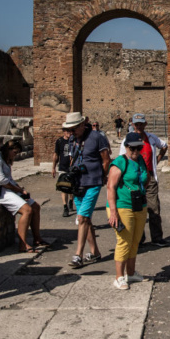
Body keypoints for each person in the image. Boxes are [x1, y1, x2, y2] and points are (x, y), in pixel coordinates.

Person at [66, 112, 110, 269]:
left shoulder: (97, 137)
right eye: (69, 129)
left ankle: (78, 255)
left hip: (93, 182)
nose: (71, 132)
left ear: (81, 125)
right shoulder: (72, 139)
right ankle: (95, 252)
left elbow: (106, 160)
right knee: (85, 219)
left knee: (82, 219)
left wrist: (104, 177)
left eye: (73, 128)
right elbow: (72, 158)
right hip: (78, 183)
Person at [106, 132, 149, 289]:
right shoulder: (120, 162)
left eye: (139, 148)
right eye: (133, 148)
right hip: (122, 205)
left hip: (139, 204)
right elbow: (111, 186)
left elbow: (146, 178)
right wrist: (113, 211)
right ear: (126, 147)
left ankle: (130, 273)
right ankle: (119, 277)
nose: (136, 151)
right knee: (124, 241)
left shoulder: (141, 160)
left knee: (135, 241)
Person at [0, 140, 48, 253]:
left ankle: (37, 238)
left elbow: (9, 179)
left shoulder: (5, 160)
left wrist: (21, 190)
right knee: (27, 210)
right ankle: (23, 244)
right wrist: (17, 189)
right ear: (9, 149)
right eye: (15, 152)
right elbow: (1, 180)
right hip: (0, 192)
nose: (15, 155)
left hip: (9, 190)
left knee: (35, 206)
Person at [119, 113, 169, 246]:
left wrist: (157, 160)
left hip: (150, 177)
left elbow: (164, 146)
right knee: (137, 208)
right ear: (133, 125)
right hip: (134, 179)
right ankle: (139, 238)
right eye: (136, 124)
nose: (139, 126)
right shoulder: (127, 140)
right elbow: (121, 159)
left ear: (145, 124)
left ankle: (157, 237)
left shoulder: (151, 138)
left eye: (141, 124)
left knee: (154, 208)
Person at [52, 128, 74, 217]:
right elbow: (56, 155)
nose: (69, 133)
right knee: (64, 187)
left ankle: (71, 200)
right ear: (64, 132)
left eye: (70, 131)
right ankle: (65, 207)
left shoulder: (74, 141)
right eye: (68, 131)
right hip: (62, 167)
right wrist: (53, 167)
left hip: (72, 168)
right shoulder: (59, 141)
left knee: (71, 187)